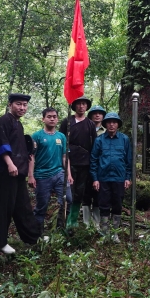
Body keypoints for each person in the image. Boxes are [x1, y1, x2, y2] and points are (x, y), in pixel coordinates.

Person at [0, 93, 42, 254]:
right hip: (8, 172)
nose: (22, 108)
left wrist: (28, 169)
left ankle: (32, 237)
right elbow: (1, 145)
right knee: (5, 206)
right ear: (10, 105)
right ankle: (0, 242)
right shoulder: (3, 121)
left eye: (25, 105)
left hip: (19, 172)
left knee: (23, 207)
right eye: (18, 104)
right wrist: (9, 163)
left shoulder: (18, 124)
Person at [28, 108, 72, 232]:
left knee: (68, 200)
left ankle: (60, 228)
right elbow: (31, 157)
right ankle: (38, 234)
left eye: (54, 116)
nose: (52, 119)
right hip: (42, 175)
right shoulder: (37, 136)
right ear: (43, 119)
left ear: (57, 119)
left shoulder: (61, 136)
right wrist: (30, 175)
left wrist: (68, 174)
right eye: (49, 116)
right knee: (42, 205)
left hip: (59, 173)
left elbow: (65, 157)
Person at [90, 112, 132, 243]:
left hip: (119, 178)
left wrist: (128, 177)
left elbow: (128, 160)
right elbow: (93, 160)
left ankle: (115, 233)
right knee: (103, 205)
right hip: (103, 178)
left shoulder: (124, 139)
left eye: (114, 122)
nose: (111, 124)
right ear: (105, 124)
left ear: (118, 124)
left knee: (117, 205)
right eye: (109, 122)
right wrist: (95, 178)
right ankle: (105, 233)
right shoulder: (99, 140)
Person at [59, 96, 98, 231]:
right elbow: (61, 140)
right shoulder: (67, 122)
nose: (81, 106)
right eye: (79, 104)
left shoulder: (90, 124)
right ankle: (63, 220)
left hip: (84, 162)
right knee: (68, 190)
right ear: (74, 106)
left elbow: (94, 145)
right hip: (69, 160)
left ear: (87, 107)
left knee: (80, 191)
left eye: (84, 104)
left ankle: (73, 220)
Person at [83, 105, 107, 228]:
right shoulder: (85, 128)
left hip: (102, 166)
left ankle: (96, 222)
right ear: (90, 115)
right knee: (86, 193)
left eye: (100, 113)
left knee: (99, 194)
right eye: (95, 113)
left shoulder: (107, 131)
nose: (97, 115)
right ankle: (86, 222)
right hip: (86, 165)